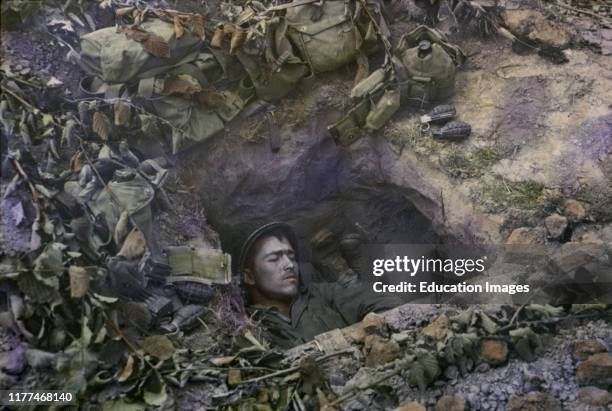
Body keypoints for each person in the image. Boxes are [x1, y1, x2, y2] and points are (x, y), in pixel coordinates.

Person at [239, 222, 403, 348]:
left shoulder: (319, 294)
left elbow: (391, 306)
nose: (289, 264)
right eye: (274, 259)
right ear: (250, 276)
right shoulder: (244, 325)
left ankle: (346, 273)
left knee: (356, 287)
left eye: (291, 257)